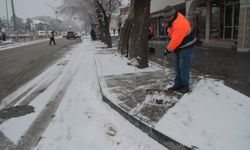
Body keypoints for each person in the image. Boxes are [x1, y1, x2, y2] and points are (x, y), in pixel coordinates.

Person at [163, 6, 196, 94]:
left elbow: (176, 40)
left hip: (187, 47)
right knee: (177, 67)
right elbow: (172, 35)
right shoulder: (173, 19)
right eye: (166, 18)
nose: (167, 19)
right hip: (179, 47)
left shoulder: (179, 24)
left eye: (168, 17)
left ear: (173, 15)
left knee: (183, 67)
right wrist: (169, 37)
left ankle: (185, 86)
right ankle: (178, 84)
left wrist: (168, 50)